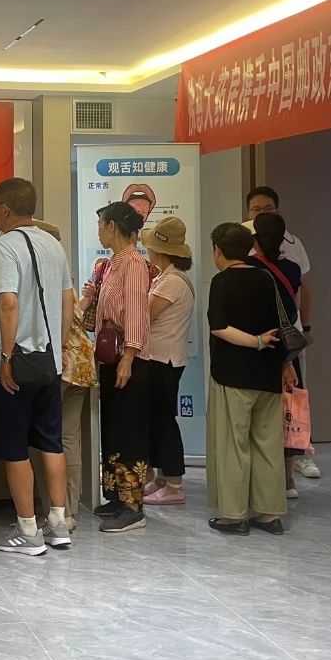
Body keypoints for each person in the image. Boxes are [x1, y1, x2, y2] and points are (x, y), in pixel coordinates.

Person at [0, 178, 74, 556]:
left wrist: (6, 357)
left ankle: (27, 530)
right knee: (51, 442)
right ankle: (58, 522)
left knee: (15, 448)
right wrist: (61, 346)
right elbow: (68, 300)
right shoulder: (53, 244)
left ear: (5, 209)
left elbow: (8, 303)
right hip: (49, 363)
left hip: (16, 364)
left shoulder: (6, 246)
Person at [205, 222, 295, 537]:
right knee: (268, 444)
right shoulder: (265, 278)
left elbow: (219, 327)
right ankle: (270, 514)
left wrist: (255, 341)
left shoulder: (221, 281)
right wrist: (283, 361)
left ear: (218, 251)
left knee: (233, 445)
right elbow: (285, 322)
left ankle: (233, 515)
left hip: (232, 375)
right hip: (267, 374)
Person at [85, 202, 153, 534]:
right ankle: (115, 495)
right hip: (110, 356)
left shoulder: (134, 264)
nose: (99, 230)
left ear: (113, 226)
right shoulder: (112, 263)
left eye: (101, 224)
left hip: (128, 357)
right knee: (113, 424)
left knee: (129, 428)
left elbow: (138, 312)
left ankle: (132, 505)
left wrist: (129, 355)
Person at [244, 185, 320, 480]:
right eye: (256, 209)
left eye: (267, 208)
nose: (261, 213)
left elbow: (303, 288)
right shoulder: (242, 241)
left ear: (277, 210)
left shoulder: (293, 243)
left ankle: (298, 457)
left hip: (288, 335)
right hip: (255, 338)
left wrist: (306, 326)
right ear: (247, 211)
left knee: (292, 399)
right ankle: (276, 472)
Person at [29, 220, 86, 533]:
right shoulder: (65, 276)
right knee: (68, 438)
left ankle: (52, 509)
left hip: (52, 366)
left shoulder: (37, 279)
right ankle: (69, 511)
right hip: (79, 367)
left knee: (43, 441)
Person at [248, 212, 305, 501]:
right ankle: (288, 479)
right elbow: (294, 307)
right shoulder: (292, 269)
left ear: (255, 238)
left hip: (258, 347)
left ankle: (260, 483)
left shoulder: (248, 267)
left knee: (259, 418)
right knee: (287, 413)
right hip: (287, 350)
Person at [139, 216, 195, 507]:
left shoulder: (171, 282)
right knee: (156, 419)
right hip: (162, 358)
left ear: (159, 250)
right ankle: (163, 478)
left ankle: (174, 483)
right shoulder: (167, 277)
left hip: (164, 360)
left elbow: (145, 315)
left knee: (163, 422)